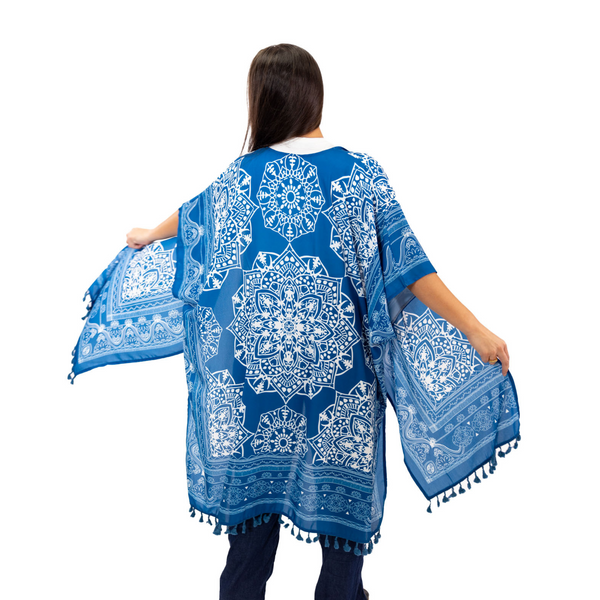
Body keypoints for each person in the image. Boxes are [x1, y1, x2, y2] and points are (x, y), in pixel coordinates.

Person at [125, 44, 511, 600]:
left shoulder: (239, 177)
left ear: (260, 101)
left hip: (254, 390)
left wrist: (148, 234)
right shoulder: (361, 174)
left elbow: (191, 218)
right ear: (315, 97)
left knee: (248, 549)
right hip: (341, 387)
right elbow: (410, 267)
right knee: (343, 541)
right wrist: (473, 327)